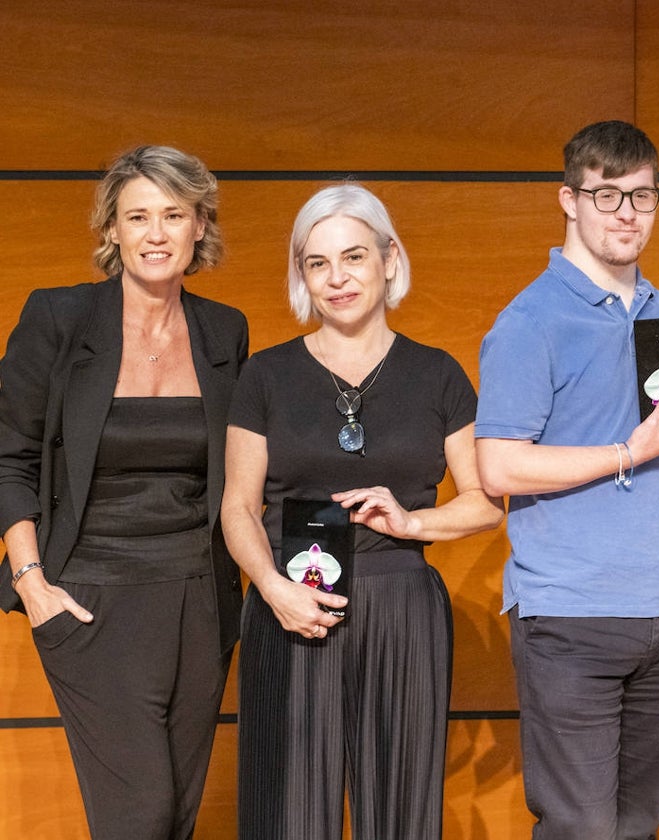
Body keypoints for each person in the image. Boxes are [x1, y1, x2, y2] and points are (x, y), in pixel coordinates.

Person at [222, 183, 503, 839]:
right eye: (317, 263)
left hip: (403, 605)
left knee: (401, 814)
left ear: (389, 258)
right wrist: (271, 590)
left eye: (353, 257)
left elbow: (484, 503)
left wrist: (413, 523)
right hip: (291, 604)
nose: (337, 278)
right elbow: (237, 506)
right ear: (302, 275)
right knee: (287, 815)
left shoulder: (438, 374)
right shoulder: (265, 375)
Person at [474, 120, 659, 840]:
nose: (625, 214)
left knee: (639, 826)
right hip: (572, 614)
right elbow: (499, 466)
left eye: (642, 197)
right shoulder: (530, 322)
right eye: (606, 195)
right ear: (569, 200)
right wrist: (628, 452)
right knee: (580, 829)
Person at [0, 145, 247, 839]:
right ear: (111, 230)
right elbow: (8, 454)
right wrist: (31, 581)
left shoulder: (224, 332)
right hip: (89, 600)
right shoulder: (57, 319)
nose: (157, 233)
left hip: (199, 600)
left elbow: (241, 470)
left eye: (174, 214)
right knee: (141, 816)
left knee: (177, 818)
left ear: (201, 224)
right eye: (137, 216)